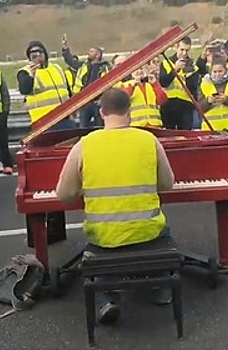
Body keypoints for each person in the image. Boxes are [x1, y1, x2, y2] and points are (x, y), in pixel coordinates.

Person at [56, 88, 175, 324]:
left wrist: (86, 188)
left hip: (105, 235)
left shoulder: (84, 145)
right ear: (129, 111)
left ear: (101, 113)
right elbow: (167, 185)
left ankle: (106, 298)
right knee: (163, 231)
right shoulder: (148, 140)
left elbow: (64, 195)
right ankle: (160, 286)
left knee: (94, 244)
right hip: (147, 232)